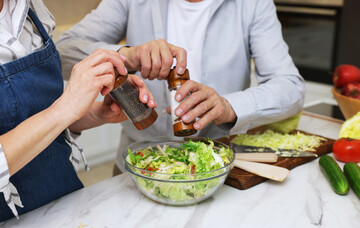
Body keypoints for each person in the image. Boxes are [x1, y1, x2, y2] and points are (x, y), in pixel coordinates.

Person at [56, 0, 305, 174]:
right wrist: (124, 56)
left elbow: (290, 87)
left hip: (216, 170)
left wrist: (228, 106)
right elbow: (61, 52)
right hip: (138, 167)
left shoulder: (253, 4)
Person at [0, 0, 156, 222]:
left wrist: (95, 113)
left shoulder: (32, 9)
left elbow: (36, 116)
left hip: (63, 205)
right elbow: (54, 114)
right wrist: (64, 108)